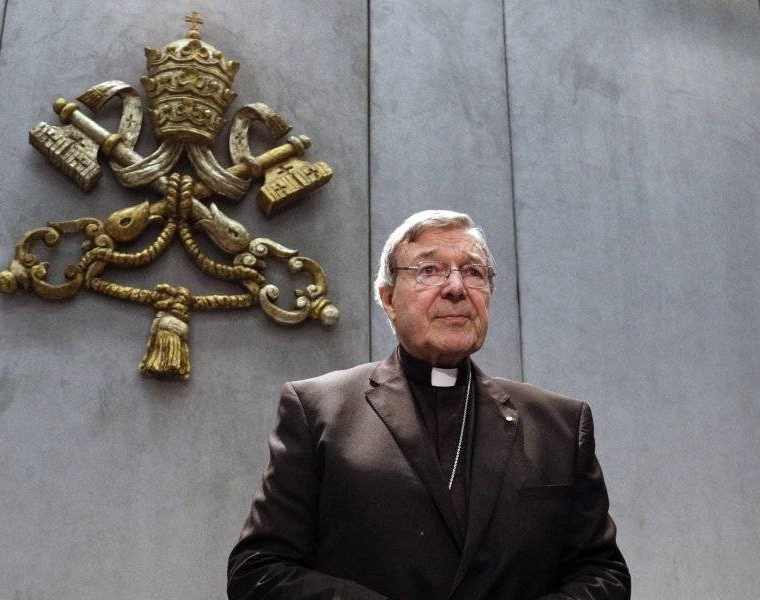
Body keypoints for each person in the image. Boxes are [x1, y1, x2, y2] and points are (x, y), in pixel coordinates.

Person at [228, 210, 630, 599]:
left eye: (473, 272)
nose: (456, 287)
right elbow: (259, 572)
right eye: (429, 271)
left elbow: (603, 575)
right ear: (387, 298)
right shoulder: (319, 410)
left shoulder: (558, 424)